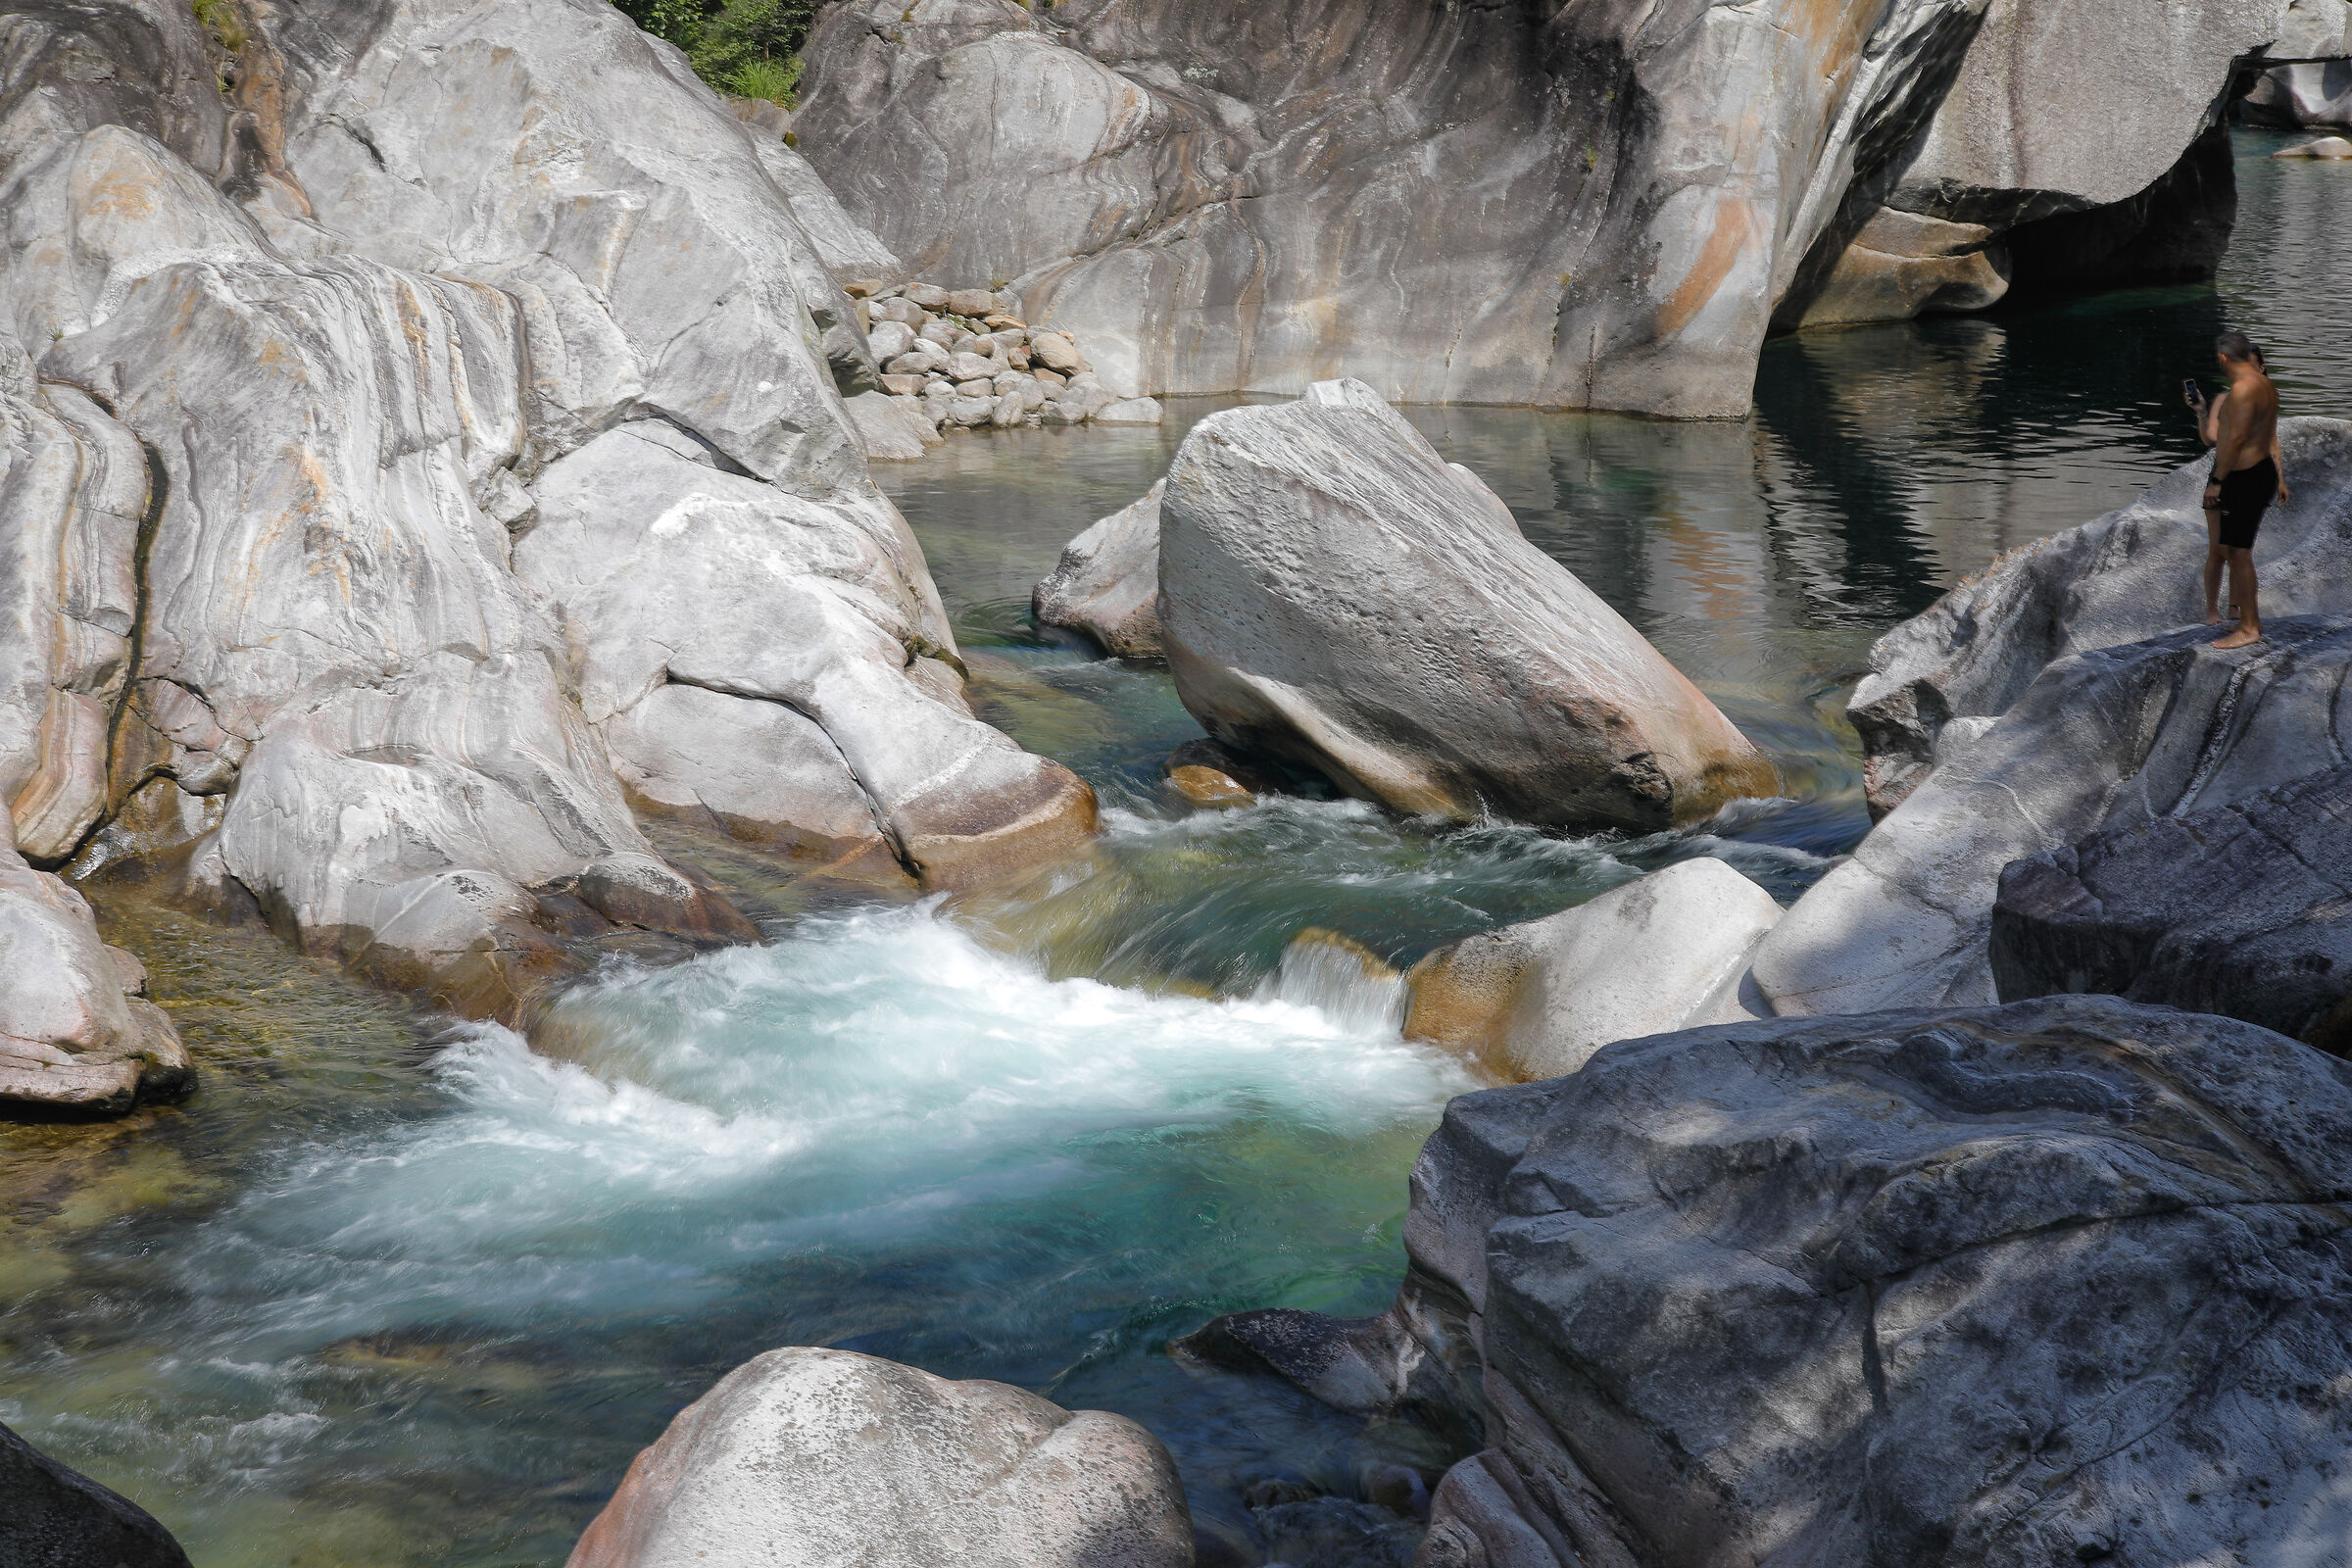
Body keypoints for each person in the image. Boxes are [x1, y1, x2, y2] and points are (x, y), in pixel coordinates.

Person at [2185, 331, 2288, 649]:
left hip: (2243, 477)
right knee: (2234, 552)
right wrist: (2203, 412)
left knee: (2239, 554)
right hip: (2256, 474)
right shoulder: (2264, 386)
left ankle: (2249, 627)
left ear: (2225, 358)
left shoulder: (2244, 390)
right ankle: (2245, 620)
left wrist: (2217, 480)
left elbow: (2235, 440)